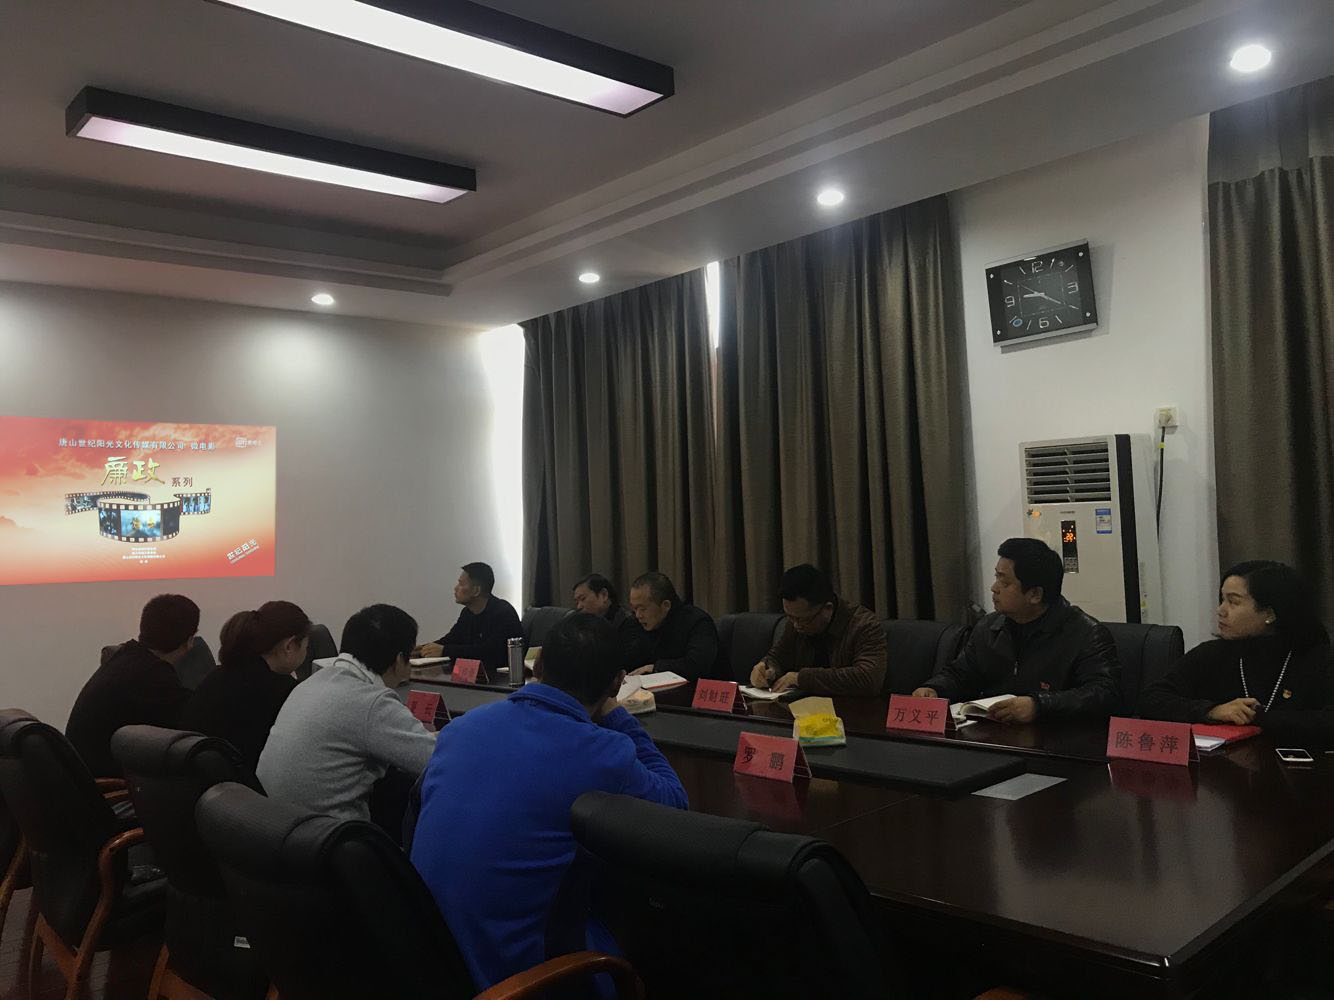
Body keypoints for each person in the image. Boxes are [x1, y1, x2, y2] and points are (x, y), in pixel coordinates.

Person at [411, 613, 686, 994]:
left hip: (426, 962)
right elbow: (674, 806)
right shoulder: (600, 752)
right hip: (516, 983)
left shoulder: (461, 728)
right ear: (616, 683)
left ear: (537, 665)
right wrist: (619, 716)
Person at [257, 604, 436, 822]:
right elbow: (435, 759)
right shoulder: (372, 702)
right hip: (329, 835)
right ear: (399, 659)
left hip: (273, 827)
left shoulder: (311, 683)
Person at [913, 538, 1120, 722]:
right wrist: (934, 688)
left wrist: (1038, 706)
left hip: (1057, 740)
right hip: (994, 735)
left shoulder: (1086, 634)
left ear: (1035, 595)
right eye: (996, 577)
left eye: (1004, 582)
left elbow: (1104, 695)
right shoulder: (989, 626)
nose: (994, 588)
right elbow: (961, 674)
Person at [1139, 561, 1334, 745]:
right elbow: (1152, 700)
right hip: (1224, 766)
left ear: (1270, 614)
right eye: (1222, 600)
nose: (1220, 610)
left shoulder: (1317, 658)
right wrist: (1212, 711)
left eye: (1233, 602)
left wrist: (1258, 718)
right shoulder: (1211, 654)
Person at [66, 594, 199, 777]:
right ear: (189, 641)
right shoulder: (153, 676)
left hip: (83, 777)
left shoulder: (125, 658)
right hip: (108, 785)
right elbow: (192, 725)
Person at [181, 601, 309, 774]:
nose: (306, 652)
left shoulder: (218, 675)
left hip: (197, 779)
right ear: (289, 645)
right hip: (242, 784)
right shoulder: (282, 691)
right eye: (306, 647)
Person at [749, 564, 887, 695]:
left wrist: (801, 678)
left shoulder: (864, 625)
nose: (796, 625)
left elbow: (869, 679)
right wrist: (767, 668)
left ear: (827, 608)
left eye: (803, 620)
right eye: (790, 617)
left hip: (851, 708)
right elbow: (779, 656)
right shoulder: (796, 621)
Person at [417, 562, 522, 675]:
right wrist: (424, 649)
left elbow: (489, 652)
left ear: (476, 591)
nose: (455, 588)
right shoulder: (467, 613)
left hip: (502, 678)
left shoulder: (503, 612)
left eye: (461, 584)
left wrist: (444, 650)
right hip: (474, 676)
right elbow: (452, 639)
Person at [627, 571, 720, 681]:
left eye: (643, 609)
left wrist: (656, 668)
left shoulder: (698, 622)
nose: (638, 615)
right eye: (634, 609)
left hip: (704, 688)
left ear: (666, 605)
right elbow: (630, 661)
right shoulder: (636, 623)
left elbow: (696, 666)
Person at [572, 572, 650, 669]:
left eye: (583, 599)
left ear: (604, 595)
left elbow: (627, 663)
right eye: (577, 602)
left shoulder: (628, 623)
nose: (579, 607)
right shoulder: (583, 624)